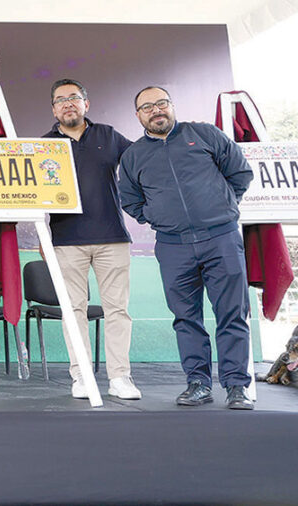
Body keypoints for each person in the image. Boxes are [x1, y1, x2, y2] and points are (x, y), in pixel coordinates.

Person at [118, 86, 255, 410]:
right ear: (138, 115)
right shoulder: (133, 156)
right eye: (147, 107)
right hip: (173, 246)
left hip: (221, 239)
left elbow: (240, 173)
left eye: (161, 103)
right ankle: (198, 384)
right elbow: (131, 201)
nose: (156, 110)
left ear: (171, 105)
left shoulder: (205, 134)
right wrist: (159, 216)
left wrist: (221, 206)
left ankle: (237, 386)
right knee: (185, 318)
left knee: (232, 314)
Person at [41, 79, 139, 400]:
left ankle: (120, 377)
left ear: (86, 103)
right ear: (54, 109)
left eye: (74, 97)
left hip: (113, 237)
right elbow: (34, 195)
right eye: (61, 100)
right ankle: (81, 375)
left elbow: (142, 164)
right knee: (73, 311)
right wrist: (41, 235)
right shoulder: (43, 146)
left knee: (117, 311)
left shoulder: (109, 136)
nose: (68, 103)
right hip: (66, 240)